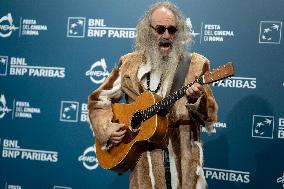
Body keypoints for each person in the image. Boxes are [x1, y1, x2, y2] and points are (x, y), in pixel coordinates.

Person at [88, 1, 218, 189]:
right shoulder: (128, 64)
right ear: (147, 30)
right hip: (144, 171)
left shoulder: (195, 65)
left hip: (183, 169)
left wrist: (195, 99)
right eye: (160, 29)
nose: (167, 36)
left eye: (172, 30)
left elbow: (209, 116)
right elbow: (99, 100)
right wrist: (107, 129)